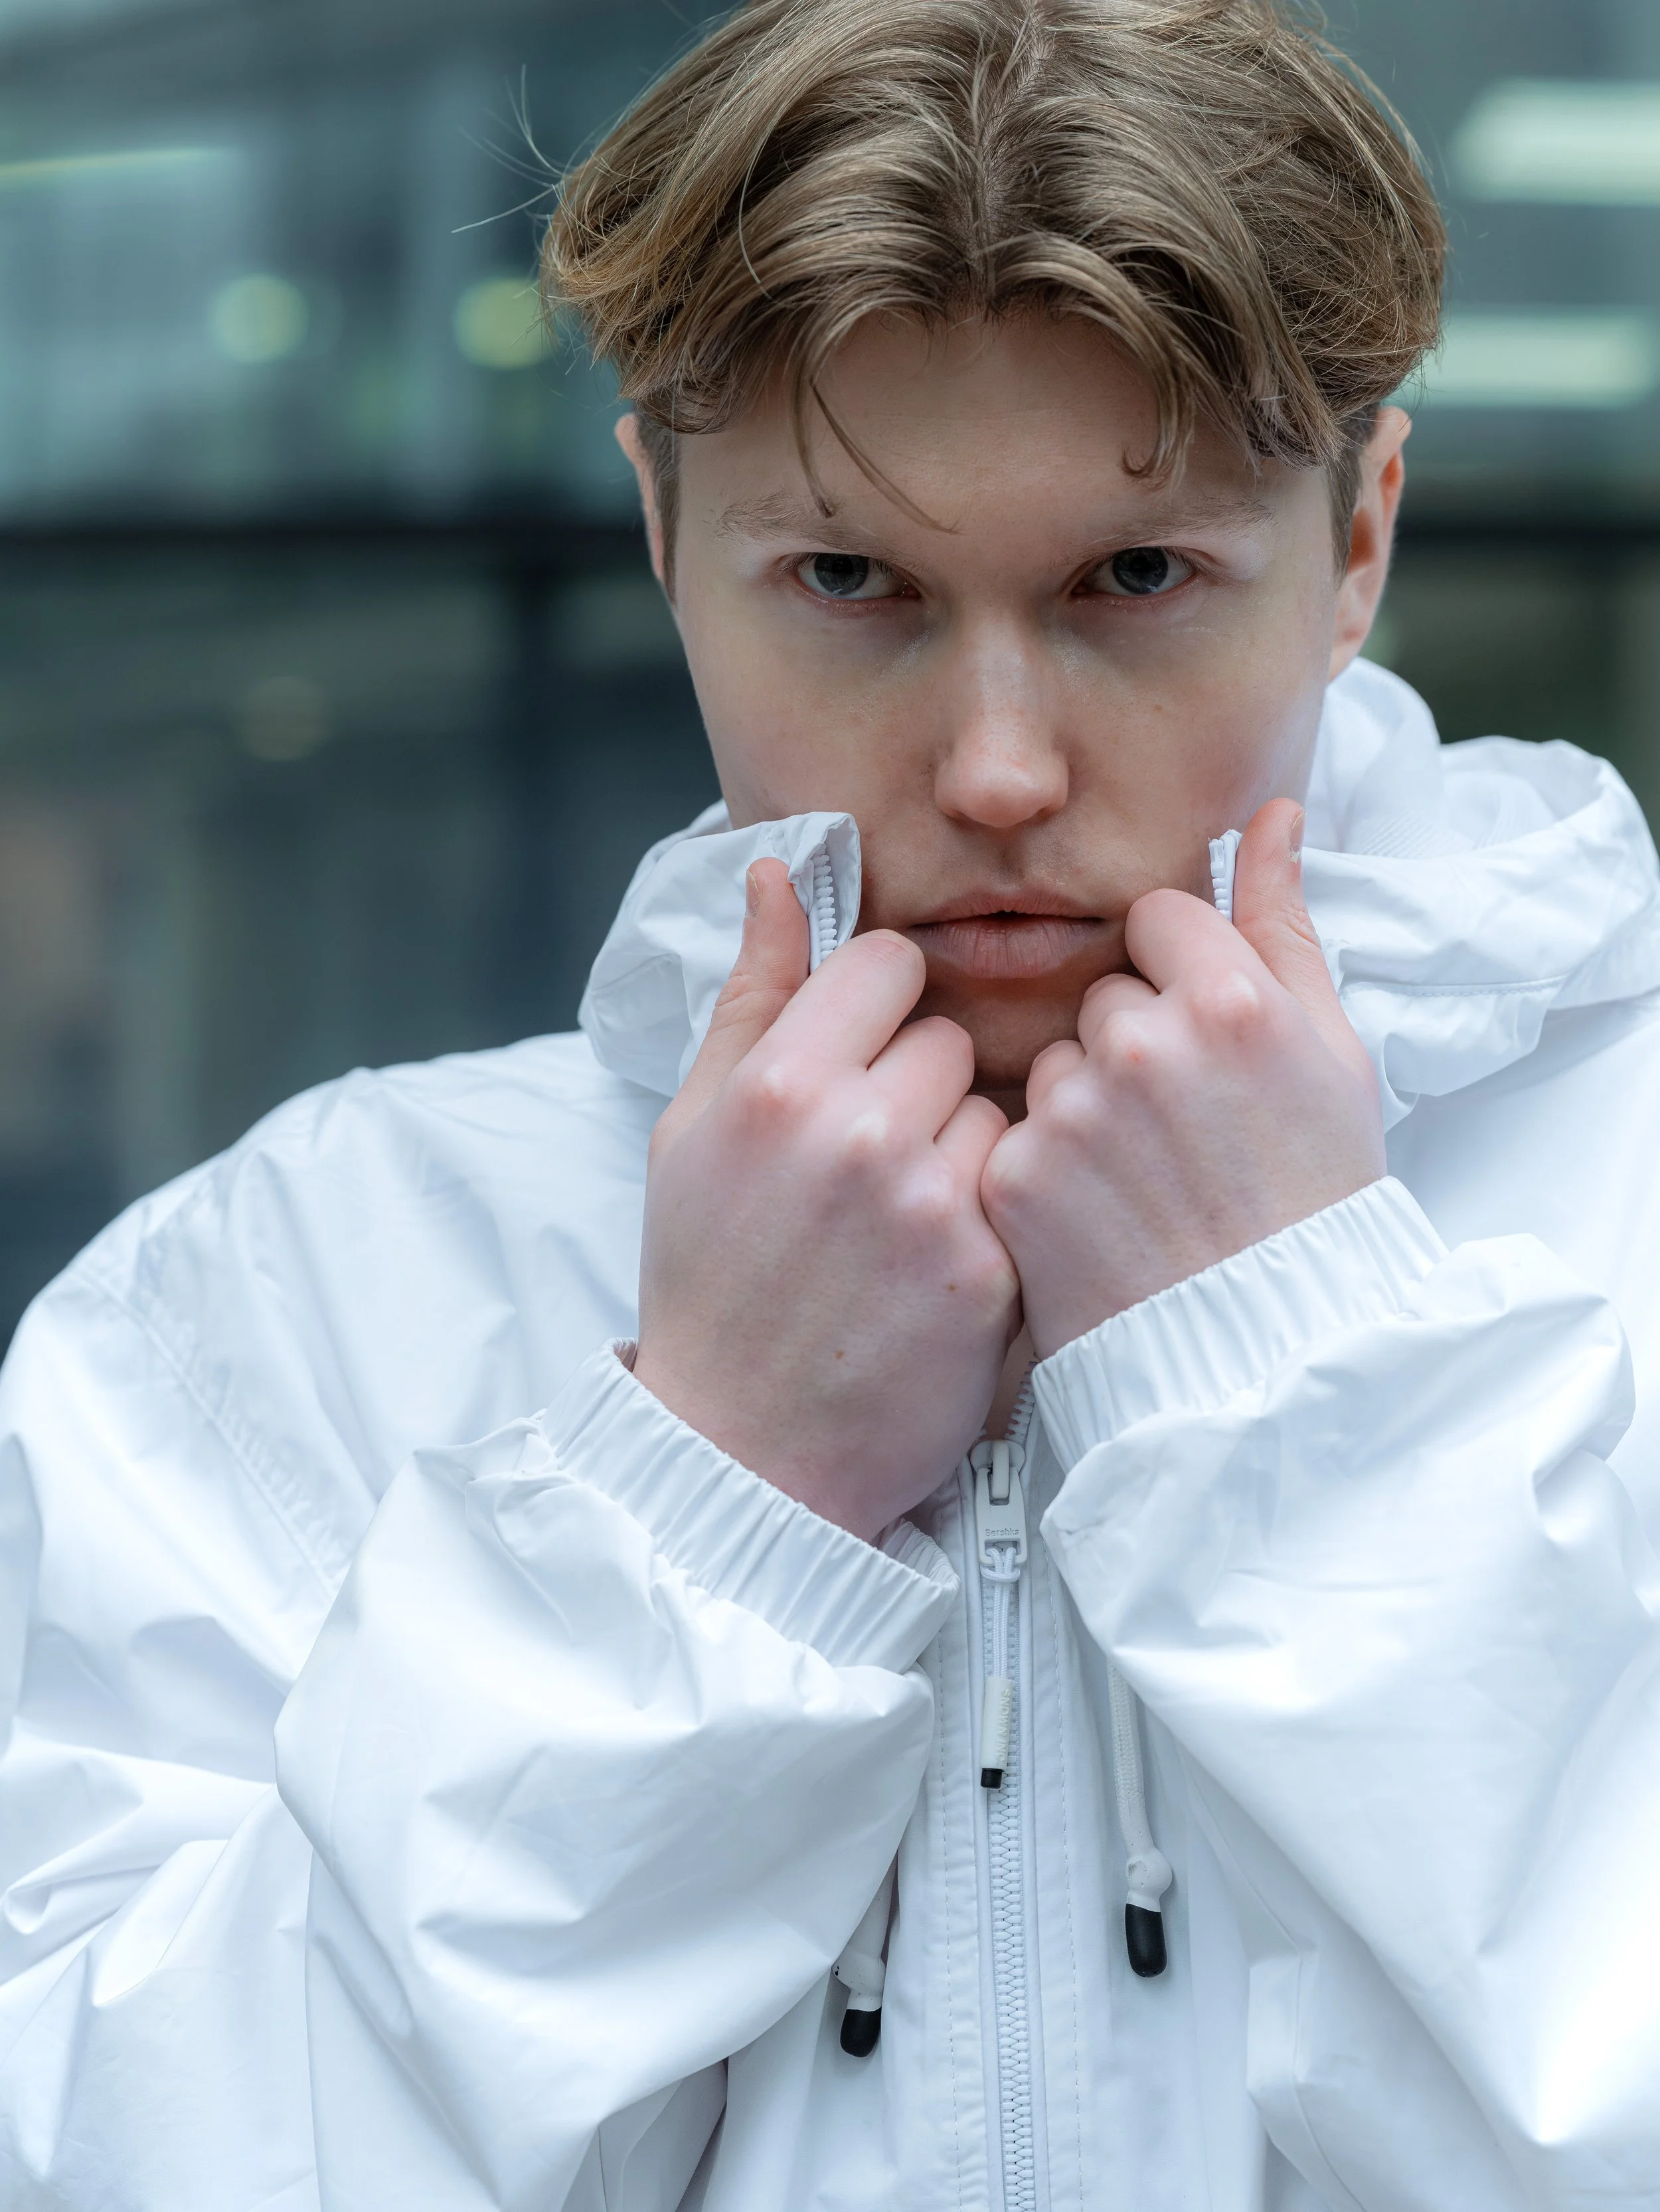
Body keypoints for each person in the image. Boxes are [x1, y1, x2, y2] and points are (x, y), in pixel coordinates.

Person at [3, 0, 1659, 2205]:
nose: (993, 767)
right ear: (659, 534)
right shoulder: (277, 1296)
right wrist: (699, 1502)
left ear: (1358, 533)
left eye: (1134, 579)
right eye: (850, 583)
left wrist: (1308, 1394)